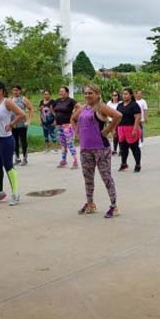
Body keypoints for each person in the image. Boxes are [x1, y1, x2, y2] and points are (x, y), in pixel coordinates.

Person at [71, 83, 122, 218]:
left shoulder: (101, 107)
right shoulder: (83, 108)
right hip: (85, 149)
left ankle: (114, 206)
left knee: (106, 177)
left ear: (98, 94)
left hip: (101, 148)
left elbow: (118, 116)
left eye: (90, 93)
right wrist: (77, 132)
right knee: (88, 178)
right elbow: (73, 119)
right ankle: (90, 203)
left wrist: (107, 130)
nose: (87, 95)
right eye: (86, 93)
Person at [117, 88, 143, 172]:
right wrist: (114, 129)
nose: (124, 95)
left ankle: (138, 164)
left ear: (131, 95)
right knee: (123, 148)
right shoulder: (120, 105)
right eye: (123, 94)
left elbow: (138, 117)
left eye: (126, 94)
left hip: (131, 128)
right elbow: (117, 117)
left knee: (134, 147)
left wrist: (135, 129)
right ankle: (124, 163)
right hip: (121, 128)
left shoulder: (134, 105)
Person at [54, 86, 79, 168]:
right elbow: (52, 108)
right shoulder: (57, 101)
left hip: (68, 126)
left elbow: (79, 107)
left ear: (67, 93)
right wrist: (56, 118)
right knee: (63, 144)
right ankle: (63, 160)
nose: (60, 93)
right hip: (59, 126)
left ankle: (75, 161)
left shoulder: (71, 101)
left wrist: (73, 116)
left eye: (62, 91)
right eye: (59, 91)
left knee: (70, 143)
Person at [10, 85, 33, 165]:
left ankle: (25, 158)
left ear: (20, 91)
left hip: (22, 123)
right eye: (13, 90)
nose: (15, 92)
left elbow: (30, 108)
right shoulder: (10, 99)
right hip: (13, 124)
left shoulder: (23, 99)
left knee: (23, 140)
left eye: (16, 90)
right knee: (14, 141)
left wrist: (29, 120)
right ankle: (17, 158)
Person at [106, 90, 121, 156]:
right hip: (111, 121)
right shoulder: (109, 103)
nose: (114, 97)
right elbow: (106, 111)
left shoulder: (120, 103)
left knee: (120, 136)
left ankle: (121, 150)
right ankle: (115, 149)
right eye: (113, 95)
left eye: (116, 95)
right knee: (115, 136)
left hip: (119, 121)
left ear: (118, 96)